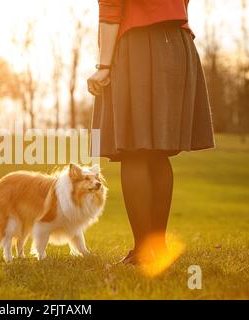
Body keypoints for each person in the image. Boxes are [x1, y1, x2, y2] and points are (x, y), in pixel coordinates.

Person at [87, 0, 215, 265]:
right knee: (157, 152)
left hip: (138, 45)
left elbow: (111, 8)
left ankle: (144, 251)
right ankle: (158, 248)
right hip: (178, 45)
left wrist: (104, 66)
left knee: (135, 150)